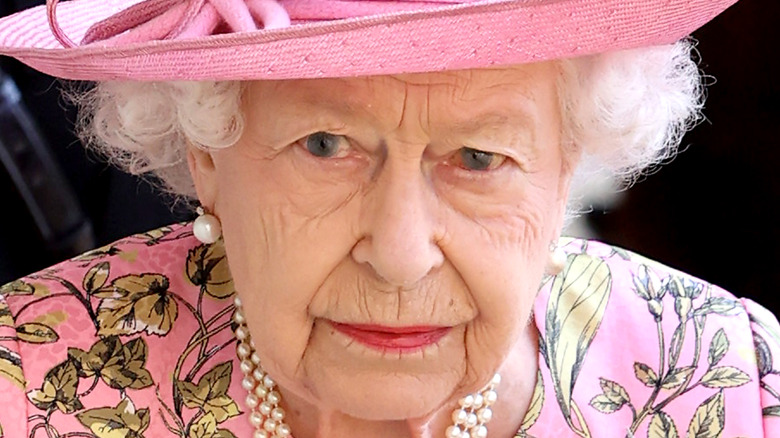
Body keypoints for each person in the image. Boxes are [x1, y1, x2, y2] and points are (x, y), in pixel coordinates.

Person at [0, 0, 777, 437]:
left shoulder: (725, 381)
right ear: (208, 153)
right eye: (326, 144)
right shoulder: (28, 384)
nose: (401, 255)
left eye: (478, 157)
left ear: (565, 166)